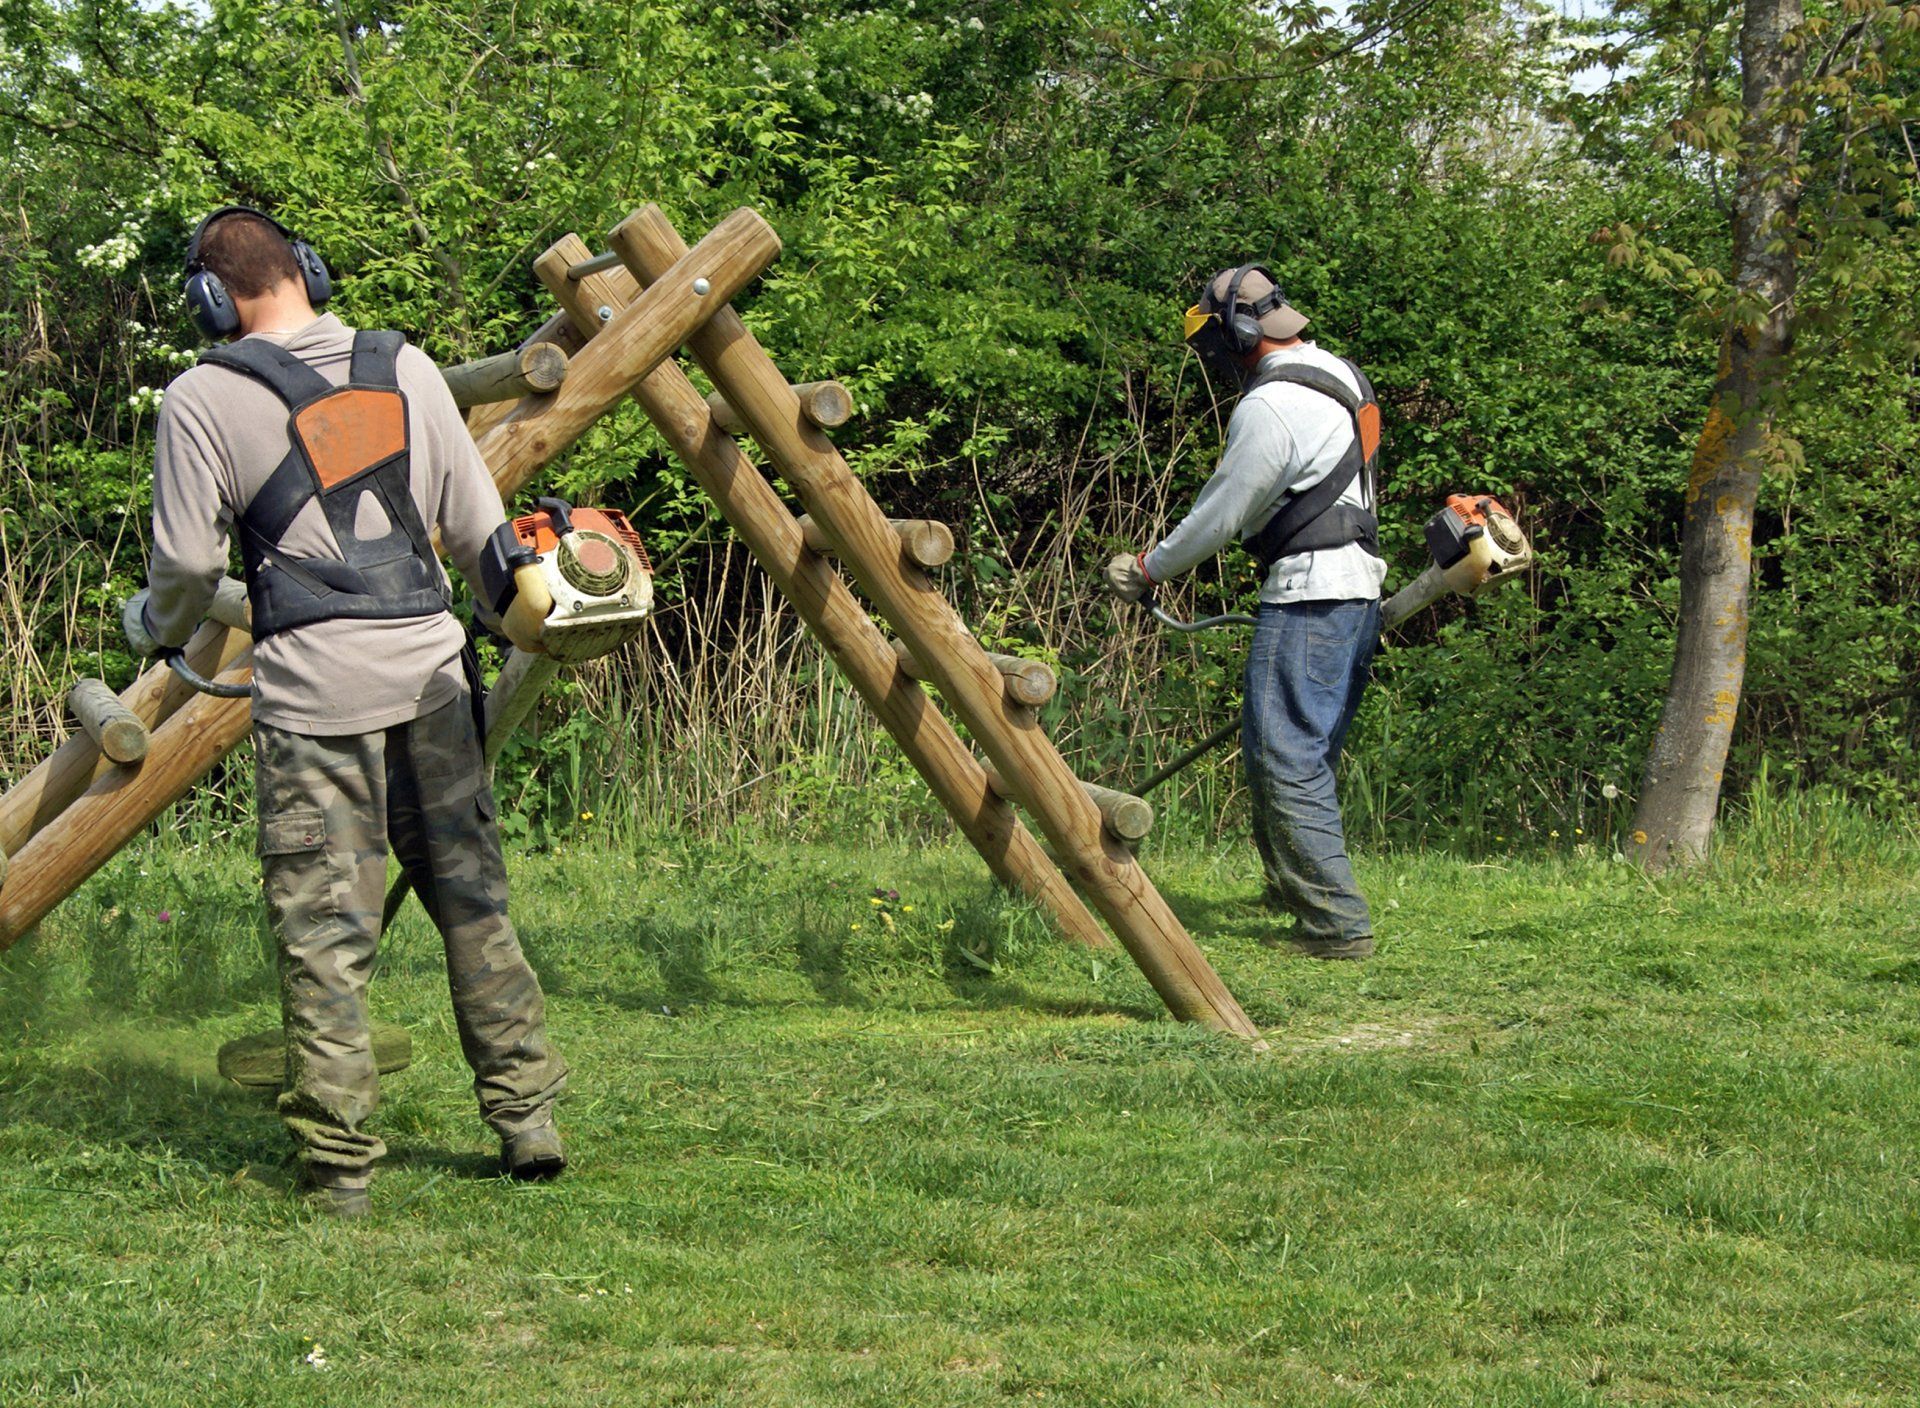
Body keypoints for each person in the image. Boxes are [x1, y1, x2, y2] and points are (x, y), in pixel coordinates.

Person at [122, 206, 569, 1216]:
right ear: (305, 272)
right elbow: (480, 536)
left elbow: (189, 571)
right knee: (474, 904)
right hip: (433, 684)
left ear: (210, 300)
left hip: (316, 700)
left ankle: (339, 1169)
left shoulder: (200, 397)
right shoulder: (405, 367)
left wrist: (150, 621)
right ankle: (528, 1121)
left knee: (325, 935)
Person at [1105, 265, 1386, 959]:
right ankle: (1295, 894)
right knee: (1296, 753)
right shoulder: (1340, 376)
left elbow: (1223, 512)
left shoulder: (1270, 406)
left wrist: (1147, 568)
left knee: (1285, 758)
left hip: (1311, 593)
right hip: (1356, 592)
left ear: (1238, 333)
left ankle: (1336, 925)